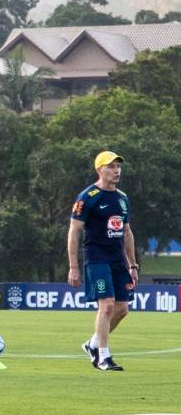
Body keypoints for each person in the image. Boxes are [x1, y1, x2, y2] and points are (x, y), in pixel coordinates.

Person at [68, 151, 136, 372]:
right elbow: (74, 231)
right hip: (97, 258)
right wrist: (73, 266)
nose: (116, 171)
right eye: (111, 167)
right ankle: (103, 357)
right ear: (99, 170)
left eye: (118, 167)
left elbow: (126, 232)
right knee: (106, 305)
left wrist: (133, 265)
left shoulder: (122, 198)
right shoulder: (87, 197)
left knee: (122, 309)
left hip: (118, 260)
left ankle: (93, 344)